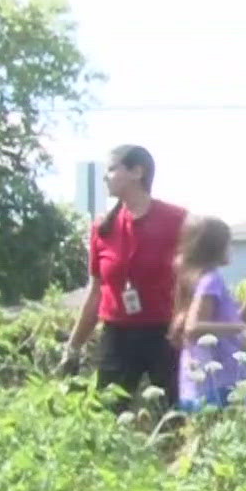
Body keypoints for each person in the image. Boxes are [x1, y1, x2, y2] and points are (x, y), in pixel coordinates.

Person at [61, 145, 186, 405]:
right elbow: (95, 292)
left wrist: (184, 323)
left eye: (112, 169)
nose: (106, 176)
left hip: (165, 335)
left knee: (177, 418)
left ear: (136, 172)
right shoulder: (102, 227)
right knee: (105, 414)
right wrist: (72, 347)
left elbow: (194, 279)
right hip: (117, 336)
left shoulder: (176, 219)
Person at [175, 216, 246, 411]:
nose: (231, 249)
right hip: (218, 382)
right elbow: (193, 328)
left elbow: (226, 327)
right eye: (229, 244)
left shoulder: (201, 279)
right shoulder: (211, 280)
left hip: (205, 381)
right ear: (216, 248)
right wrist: (239, 328)